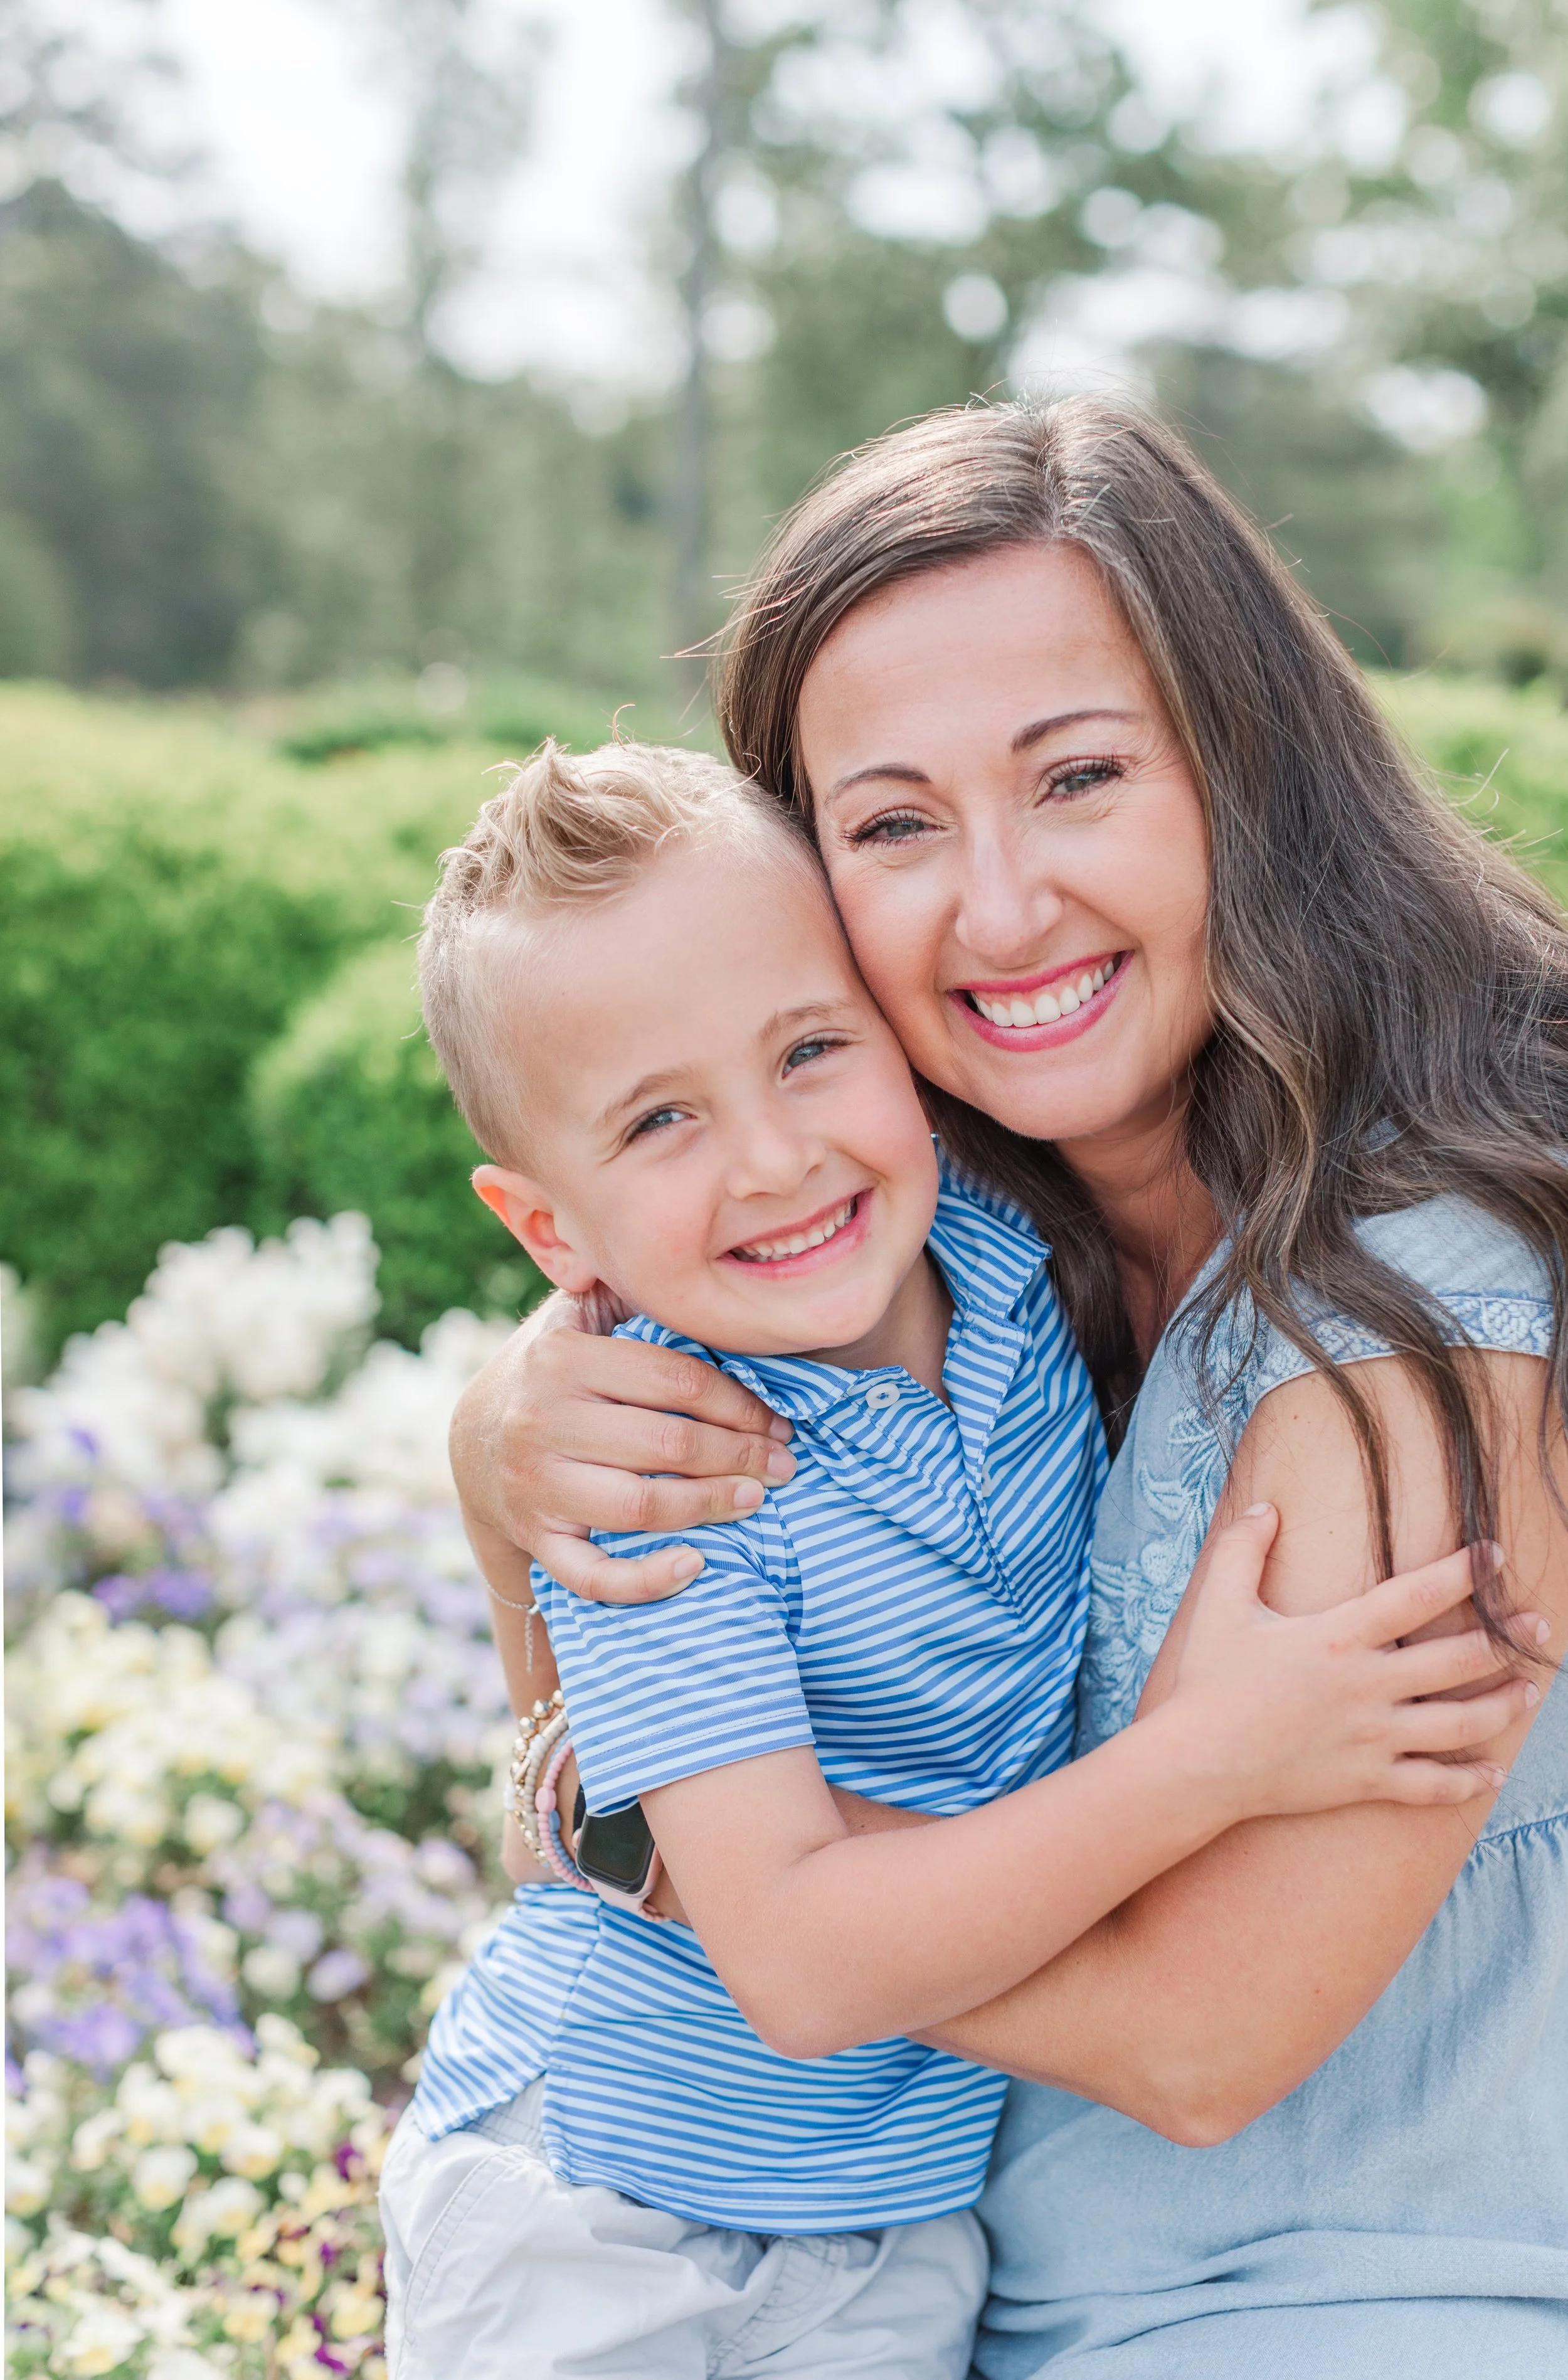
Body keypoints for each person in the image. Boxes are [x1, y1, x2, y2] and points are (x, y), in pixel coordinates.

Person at [447, 399, 1568, 2374]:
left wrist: (672, 1858)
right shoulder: (929, 1250)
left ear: (1244, 774)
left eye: (1076, 780)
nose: (996, 907)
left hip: (1351, 2308)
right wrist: (503, 1442)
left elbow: (1199, 2042)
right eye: (890, 824)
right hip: (916, 2274)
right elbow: (631, 1695)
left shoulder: (1426, 1293)